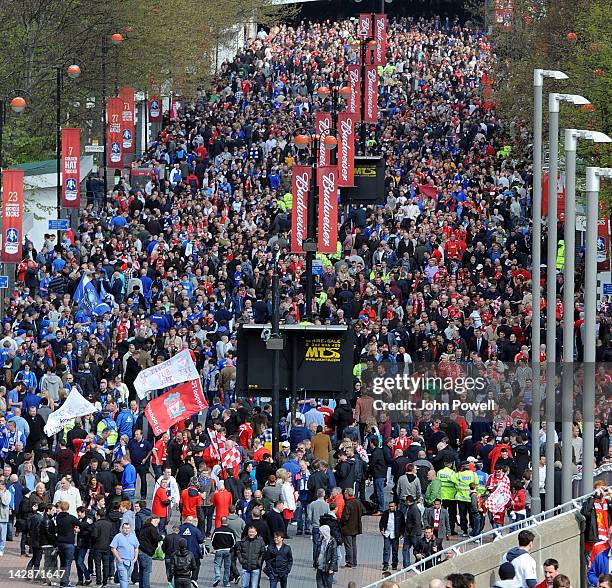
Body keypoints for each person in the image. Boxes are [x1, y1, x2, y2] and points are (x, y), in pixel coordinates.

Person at [55, 500, 79, 588]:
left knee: (62, 563)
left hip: (60, 542)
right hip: (69, 542)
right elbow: (79, 524)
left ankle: (62, 582)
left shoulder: (58, 518)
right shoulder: (71, 518)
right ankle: (65, 583)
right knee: (67, 563)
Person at [340, 487, 365, 569]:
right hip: (356, 527)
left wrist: (342, 524)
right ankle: (354, 562)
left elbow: (345, 517)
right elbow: (363, 511)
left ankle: (349, 562)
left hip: (348, 528)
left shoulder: (348, 503)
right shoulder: (358, 501)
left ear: (347, 494)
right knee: (354, 545)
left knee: (348, 546)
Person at [110, 522, 139, 588]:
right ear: (122, 528)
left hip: (131, 561)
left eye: (128, 528)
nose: (127, 529)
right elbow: (113, 548)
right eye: (125, 528)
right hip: (122, 561)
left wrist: (135, 558)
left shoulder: (133, 537)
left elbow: (136, 548)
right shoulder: (118, 536)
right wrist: (119, 558)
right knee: (123, 579)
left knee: (127, 579)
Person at [90, 509, 114, 588]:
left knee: (98, 565)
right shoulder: (109, 524)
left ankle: (98, 581)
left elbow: (94, 536)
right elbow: (111, 536)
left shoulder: (96, 524)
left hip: (97, 547)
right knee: (106, 565)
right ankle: (105, 582)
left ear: (98, 515)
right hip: (107, 547)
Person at [379, 501, 404, 573]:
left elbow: (403, 524)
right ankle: (385, 564)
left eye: (392, 506)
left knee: (395, 550)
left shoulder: (400, 514)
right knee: (386, 549)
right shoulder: (385, 513)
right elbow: (381, 522)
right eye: (389, 506)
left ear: (395, 506)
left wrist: (402, 533)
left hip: (395, 535)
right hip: (387, 533)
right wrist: (381, 529)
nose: (390, 508)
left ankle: (394, 564)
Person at [137, 515, 162, 588]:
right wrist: (161, 537)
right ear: (153, 521)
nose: (157, 524)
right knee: (146, 571)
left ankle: (141, 586)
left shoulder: (144, 527)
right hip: (146, 552)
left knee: (142, 570)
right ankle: (146, 586)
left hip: (140, 550)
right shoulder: (152, 528)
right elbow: (156, 538)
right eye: (157, 522)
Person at [211, 516, 236, 588]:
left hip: (218, 550)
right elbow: (234, 542)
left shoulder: (216, 530)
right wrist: (231, 548)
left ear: (221, 522)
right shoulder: (231, 531)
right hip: (228, 550)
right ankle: (226, 582)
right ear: (227, 522)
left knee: (217, 565)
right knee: (227, 567)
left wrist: (215, 547)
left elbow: (212, 541)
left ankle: (217, 577)